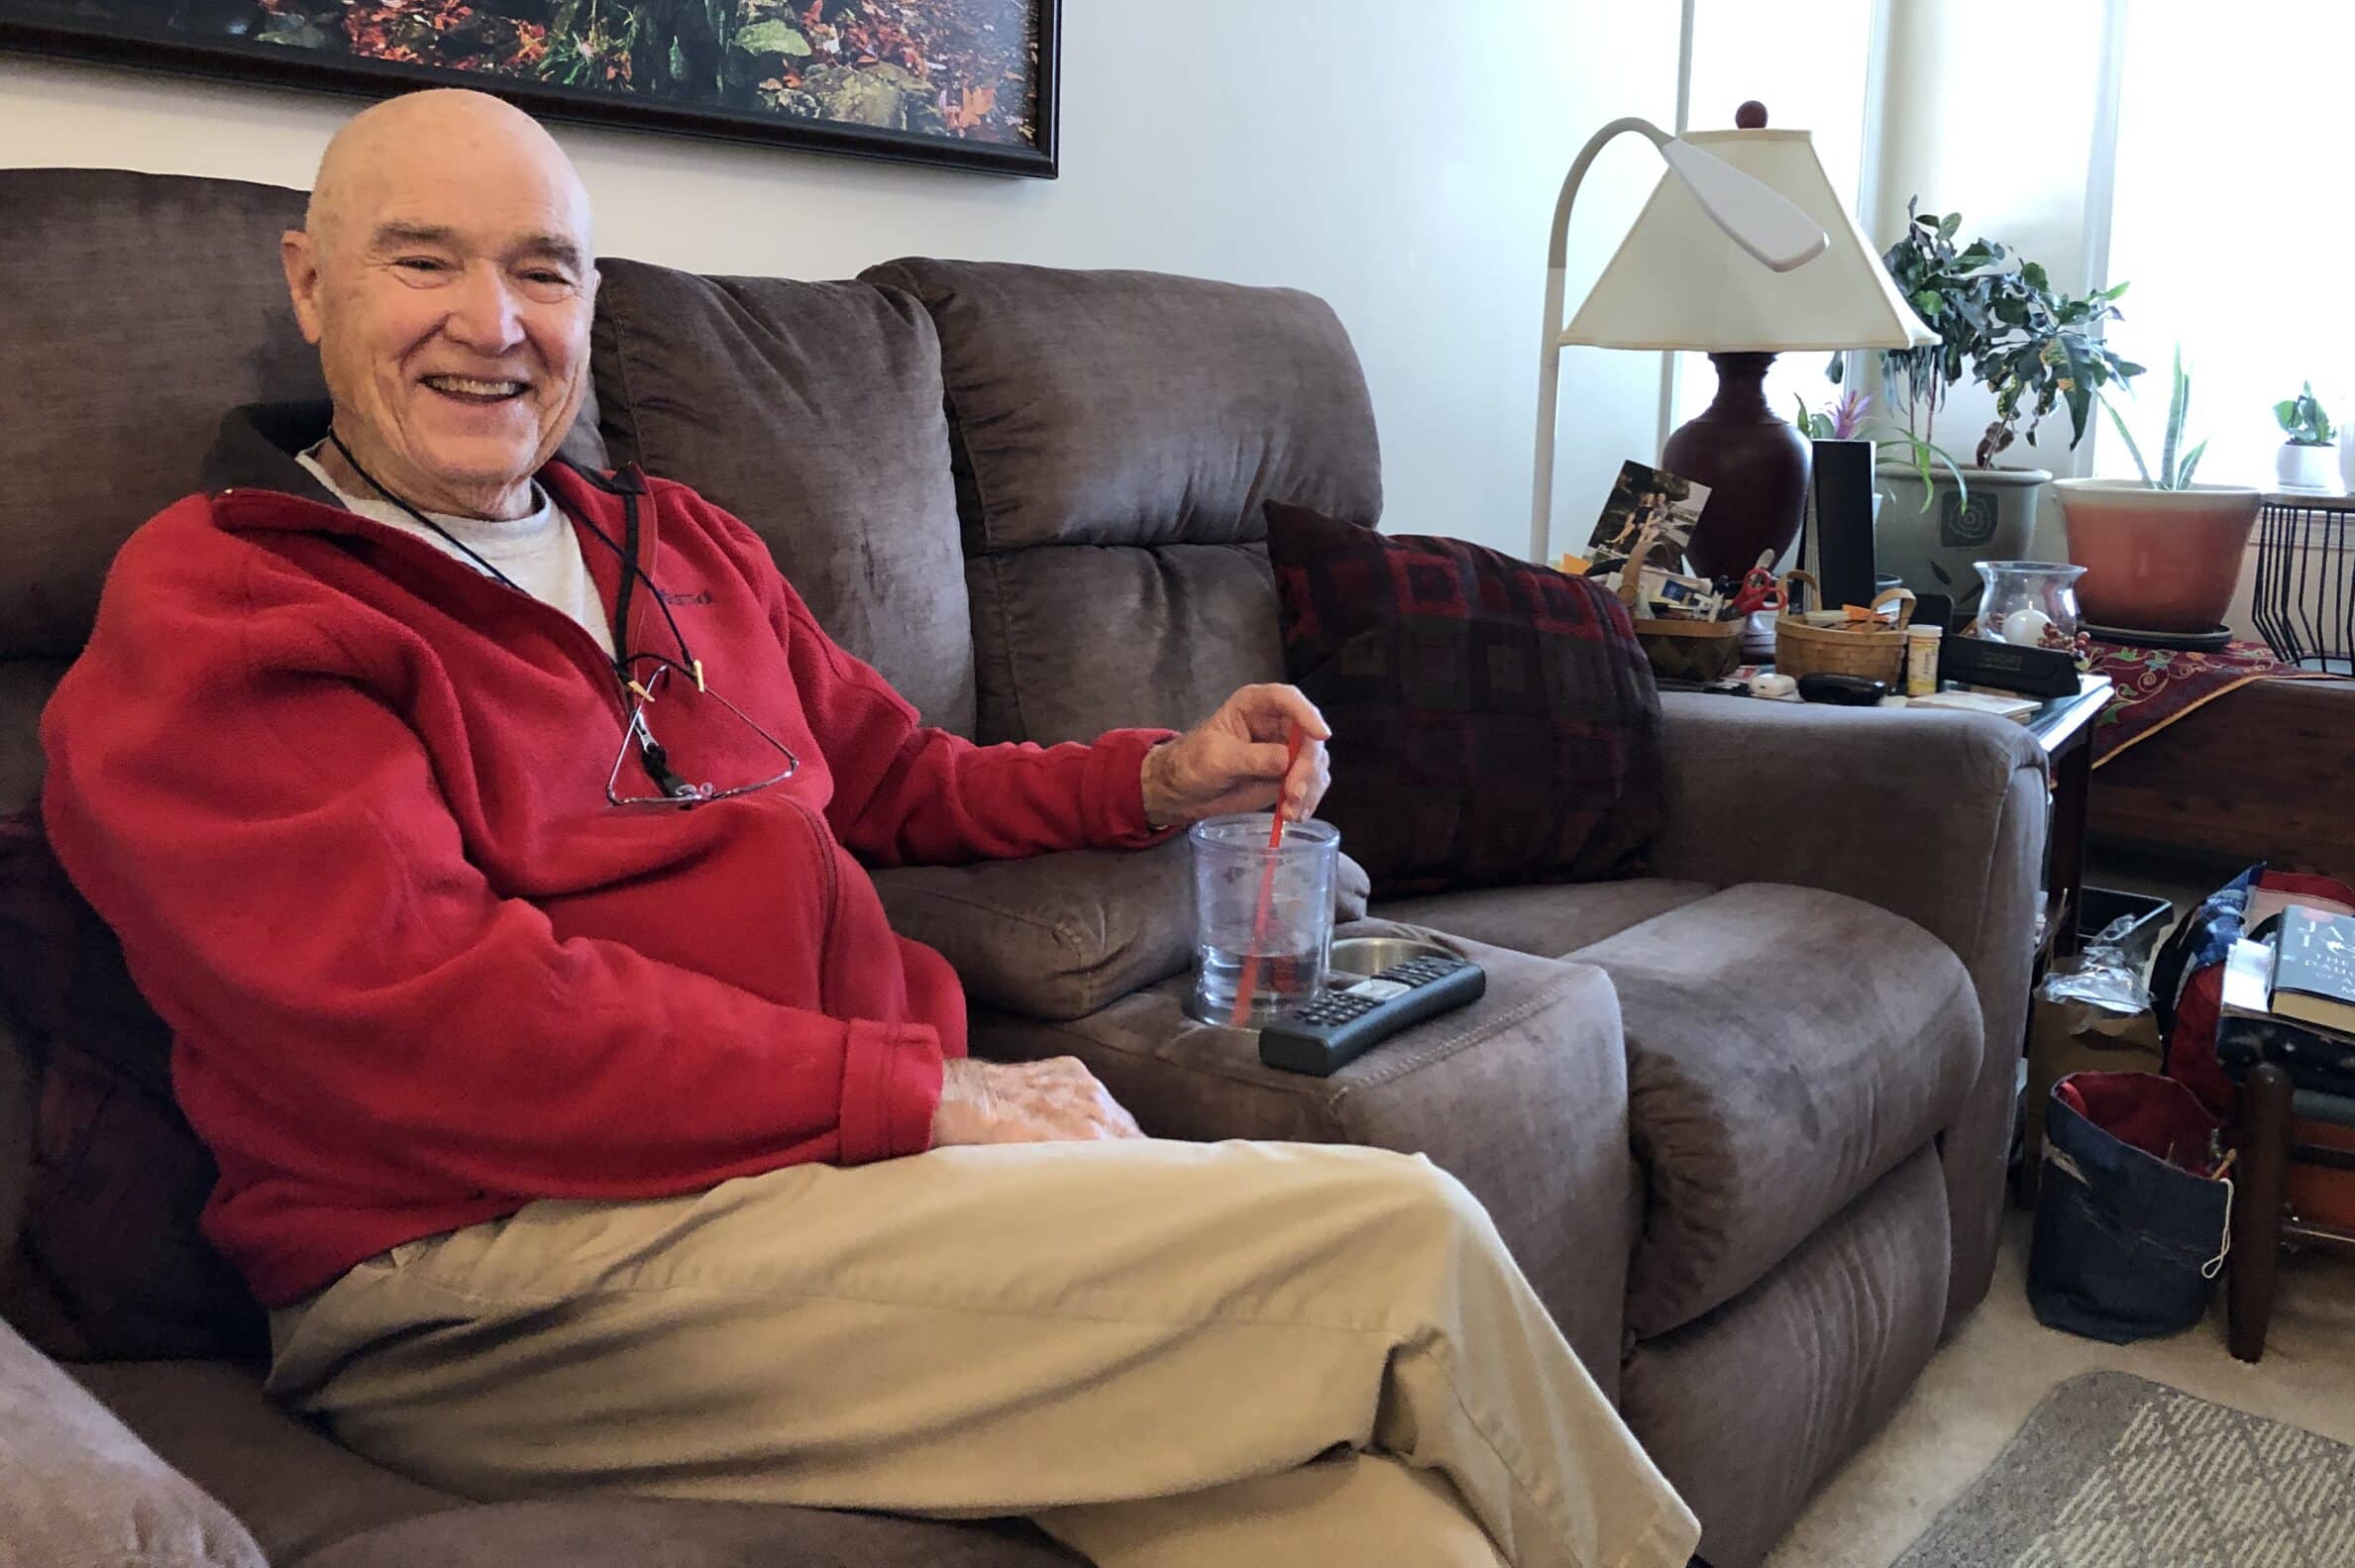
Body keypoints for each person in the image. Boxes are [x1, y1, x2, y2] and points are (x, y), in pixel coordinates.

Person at [40, 90, 1700, 1568]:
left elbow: (900, 775)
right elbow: (441, 1022)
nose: (494, 322)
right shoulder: (227, 609)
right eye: (423, 262)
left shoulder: (675, 540)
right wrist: (922, 1093)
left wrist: (1152, 779)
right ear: (310, 288)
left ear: (591, 306)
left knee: (1385, 1532)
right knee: (1401, 1240)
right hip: (491, 1273)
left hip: (814, 1191)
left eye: (544, 270)